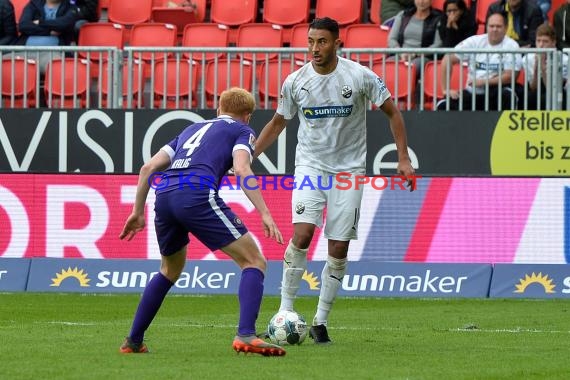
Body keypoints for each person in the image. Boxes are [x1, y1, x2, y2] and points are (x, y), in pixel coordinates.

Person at [253, 17, 416, 344]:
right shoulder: (295, 81)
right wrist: (250, 155)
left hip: (348, 171)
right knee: (302, 234)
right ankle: (285, 310)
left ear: (337, 43)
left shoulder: (358, 76)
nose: (315, 48)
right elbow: (277, 122)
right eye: (311, 41)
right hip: (311, 167)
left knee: (338, 246)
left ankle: (320, 320)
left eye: (322, 41)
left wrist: (401, 157)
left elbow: (392, 113)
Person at [119, 87, 287, 357]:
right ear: (248, 116)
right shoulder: (242, 130)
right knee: (254, 261)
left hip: (164, 195)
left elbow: (148, 168)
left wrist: (137, 211)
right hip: (196, 194)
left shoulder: (190, 129)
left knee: (169, 270)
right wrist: (265, 212)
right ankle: (246, 334)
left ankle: (133, 342)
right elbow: (242, 168)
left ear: (218, 110)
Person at [436, 11, 522, 110]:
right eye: (491, 26)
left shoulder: (512, 45)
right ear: (486, 27)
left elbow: (510, 77)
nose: (494, 29)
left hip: (496, 92)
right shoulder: (474, 41)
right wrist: (446, 89)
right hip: (472, 92)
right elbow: (448, 58)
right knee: (443, 104)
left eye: (498, 26)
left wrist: (484, 82)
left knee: (508, 95)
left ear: (506, 28)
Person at [17, 0, 76, 73]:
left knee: (59, 69)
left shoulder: (70, 6)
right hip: (24, 51)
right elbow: (23, 25)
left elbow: (63, 24)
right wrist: (49, 31)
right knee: (3, 64)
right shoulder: (33, 4)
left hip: (51, 53)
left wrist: (40, 22)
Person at [518, 23, 568, 109]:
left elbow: (552, 88)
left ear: (553, 43)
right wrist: (536, 67)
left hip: (556, 91)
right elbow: (533, 87)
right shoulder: (528, 58)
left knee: (548, 98)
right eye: (538, 40)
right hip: (537, 88)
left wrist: (542, 65)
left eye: (545, 41)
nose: (541, 45)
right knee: (529, 97)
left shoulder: (564, 59)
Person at [388, 0, 443, 68]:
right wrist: (401, 53)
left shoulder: (438, 18)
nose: (421, 2)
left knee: (411, 67)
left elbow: (438, 44)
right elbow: (392, 39)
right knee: (387, 66)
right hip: (401, 54)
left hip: (423, 56)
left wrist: (415, 54)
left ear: (431, 1)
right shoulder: (403, 15)